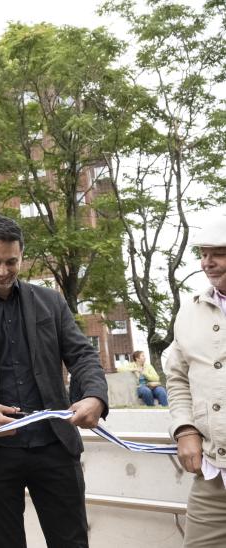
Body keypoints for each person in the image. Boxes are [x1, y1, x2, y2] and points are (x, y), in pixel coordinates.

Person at [0, 215, 108, 548]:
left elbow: (83, 356)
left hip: (55, 447)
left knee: (72, 542)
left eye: (11, 262)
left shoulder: (52, 302)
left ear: (21, 256)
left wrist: (95, 398)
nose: (3, 271)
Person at [165, 217, 226, 547]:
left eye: (219, 253)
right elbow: (177, 377)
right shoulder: (189, 311)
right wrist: (185, 429)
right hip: (213, 476)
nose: (208, 263)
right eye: (203, 253)